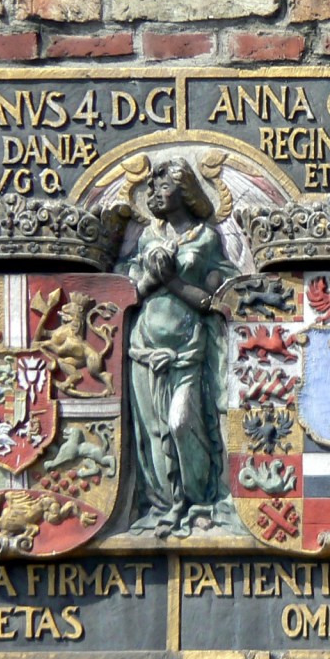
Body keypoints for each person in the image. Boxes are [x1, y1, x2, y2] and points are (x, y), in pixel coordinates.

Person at [120, 157, 242, 538]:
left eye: (163, 186)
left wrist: (172, 280)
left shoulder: (205, 238)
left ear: (184, 190)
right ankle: (164, 506)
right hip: (144, 348)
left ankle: (201, 499)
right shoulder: (147, 237)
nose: (155, 192)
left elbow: (214, 298)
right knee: (155, 432)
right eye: (152, 187)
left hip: (188, 350)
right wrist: (150, 276)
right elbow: (131, 291)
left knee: (182, 422)